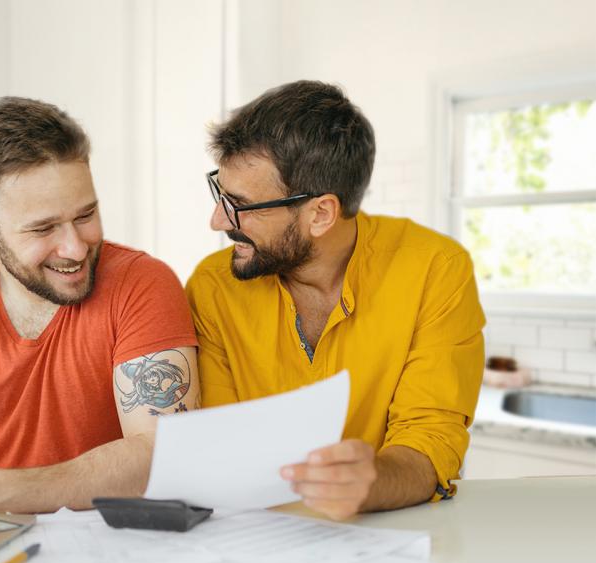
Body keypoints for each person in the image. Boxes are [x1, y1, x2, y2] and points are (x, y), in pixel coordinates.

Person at [0, 96, 199, 513]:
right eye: (43, 228)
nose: (75, 248)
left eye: (85, 215)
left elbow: (164, 455)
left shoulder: (142, 283)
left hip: (114, 537)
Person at [186, 80, 485, 520]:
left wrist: (372, 482)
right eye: (220, 193)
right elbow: (221, 443)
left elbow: (432, 439)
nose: (218, 221)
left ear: (321, 213)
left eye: (240, 205)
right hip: (252, 532)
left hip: (386, 531)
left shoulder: (435, 269)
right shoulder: (213, 287)